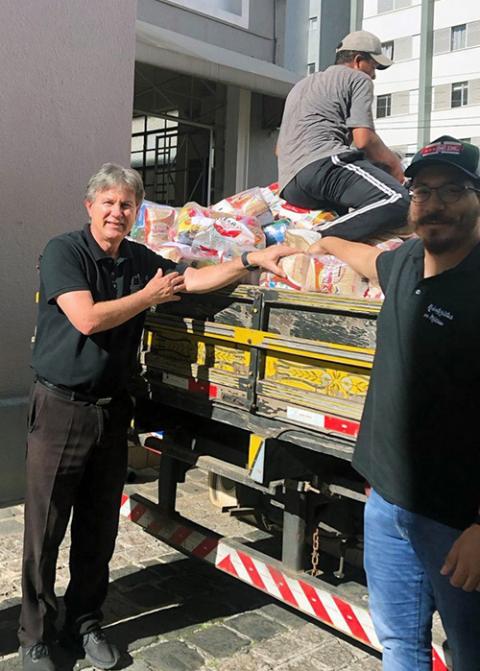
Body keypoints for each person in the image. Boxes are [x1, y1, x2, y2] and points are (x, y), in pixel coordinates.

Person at [19, 163, 296, 671]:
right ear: (90, 206)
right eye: (108, 202)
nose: (117, 213)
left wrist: (252, 257)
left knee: (99, 528)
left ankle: (85, 623)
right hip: (61, 409)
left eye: (126, 205)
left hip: (111, 409)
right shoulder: (65, 252)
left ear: (136, 212)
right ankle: (34, 636)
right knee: (45, 529)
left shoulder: (139, 258)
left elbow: (191, 279)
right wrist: (148, 297)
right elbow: (86, 318)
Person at [308, 136, 480, 670]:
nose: (436, 203)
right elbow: (362, 257)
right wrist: (317, 243)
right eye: (423, 192)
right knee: (400, 645)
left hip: (458, 521)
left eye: (454, 190)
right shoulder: (405, 261)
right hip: (387, 501)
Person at [276, 30, 409, 241]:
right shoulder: (358, 79)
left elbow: (279, 149)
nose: (373, 75)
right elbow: (364, 140)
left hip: (290, 185)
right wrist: (394, 166)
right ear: (358, 61)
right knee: (396, 199)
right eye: (373, 67)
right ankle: (317, 237)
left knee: (356, 218)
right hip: (323, 166)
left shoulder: (301, 85)